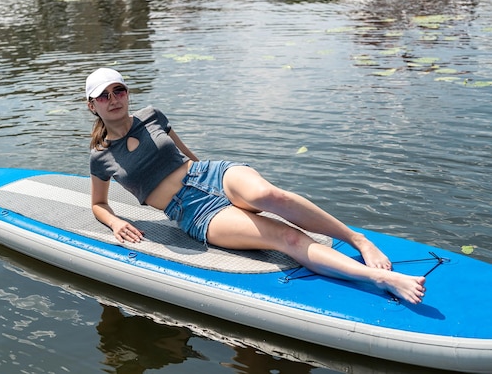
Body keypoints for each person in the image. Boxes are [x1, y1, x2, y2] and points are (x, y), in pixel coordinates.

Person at [86, 67, 426, 305]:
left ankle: (357, 239)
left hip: (209, 174)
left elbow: (187, 154)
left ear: (128, 93)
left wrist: (210, 173)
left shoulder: (152, 114)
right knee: (285, 238)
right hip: (191, 211)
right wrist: (116, 222)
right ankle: (381, 279)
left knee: (268, 195)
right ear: (92, 106)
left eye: (119, 90)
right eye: (104, 96)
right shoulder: (101, 157)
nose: (114, 99)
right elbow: (98, 204)